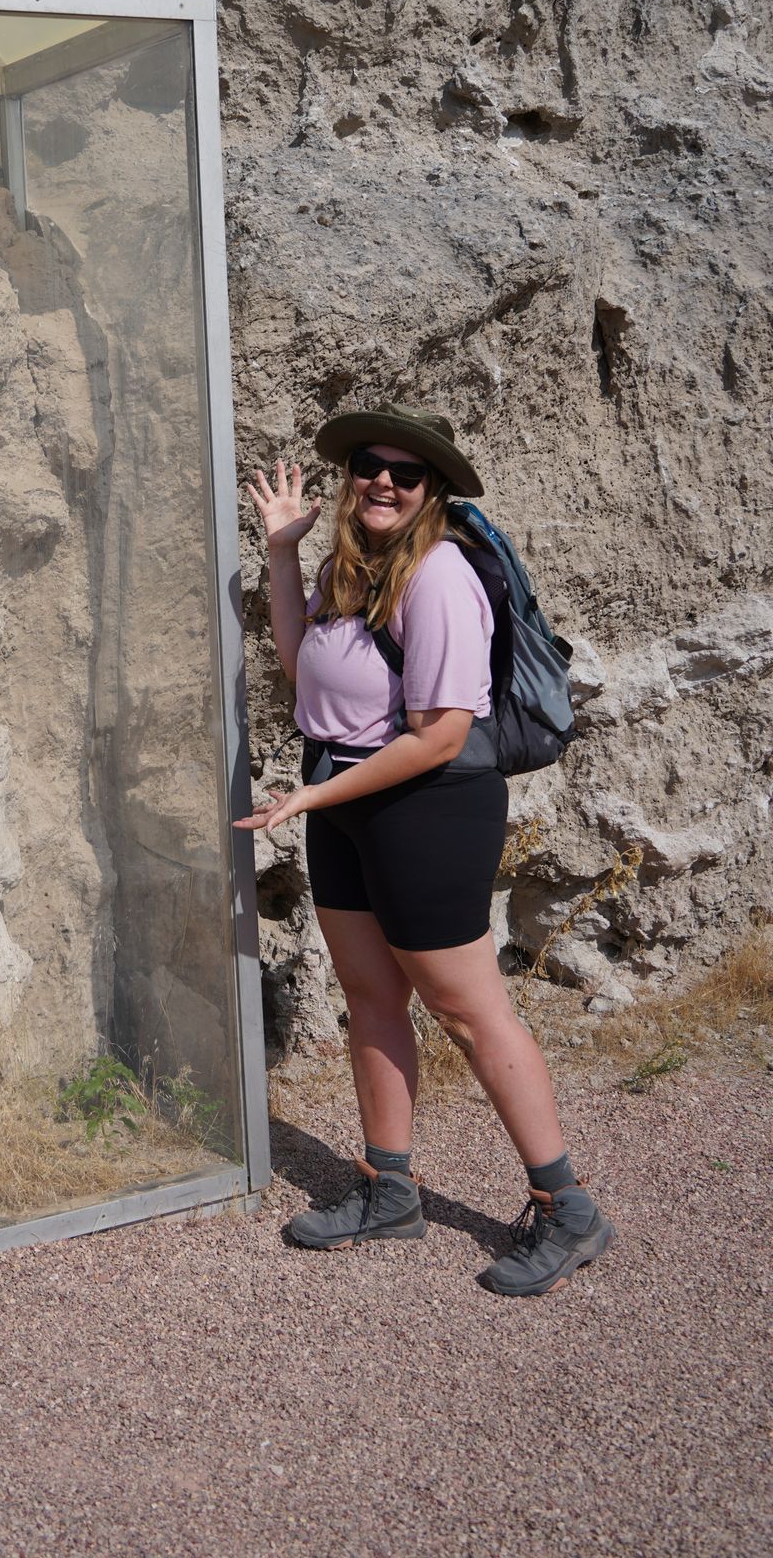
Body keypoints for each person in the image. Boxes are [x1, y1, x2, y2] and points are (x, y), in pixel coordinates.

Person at [236, 402, 613, 1297]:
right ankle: (387, 1190)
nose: (384, 483)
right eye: (370, 465)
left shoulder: (441, 576)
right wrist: (285, 556)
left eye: (406, 474)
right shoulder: (348, 568)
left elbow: (442, 734)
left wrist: (317, 795)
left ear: (431, 490)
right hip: (340, 800)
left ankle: (567, 1207)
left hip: (427, 808)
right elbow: (304, 673)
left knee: (469, 1012)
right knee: (371, 998)